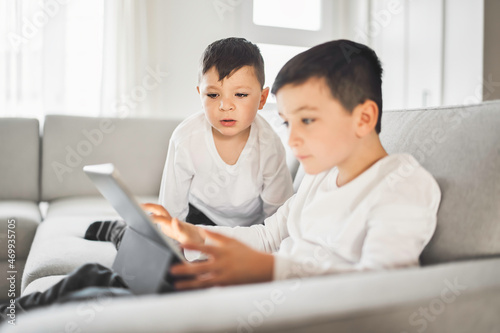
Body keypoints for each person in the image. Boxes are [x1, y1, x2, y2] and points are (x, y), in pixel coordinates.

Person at [0, 39, 441, 322]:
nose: (295, 137)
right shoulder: (322, 181)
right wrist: (191, 233)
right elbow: (270, 235)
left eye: (307, 119)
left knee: (106, 299)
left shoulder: (402, 184)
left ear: (364, 117)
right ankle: (11, 315)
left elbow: (388, 290)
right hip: (260, 291)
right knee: (99, 275)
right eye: (289, 122)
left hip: (286, 310)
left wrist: (271, 272)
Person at [84, 37, 294, 250]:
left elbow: (280, 216)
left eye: (240, 94)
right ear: (200, 95)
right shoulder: (186, 138)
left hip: (250, 228)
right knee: (155, 240)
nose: (225, 105)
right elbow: (172, 210)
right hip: (199, 216)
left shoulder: (269, 146)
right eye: (213, 95)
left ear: (262, 98)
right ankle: (121, 231)